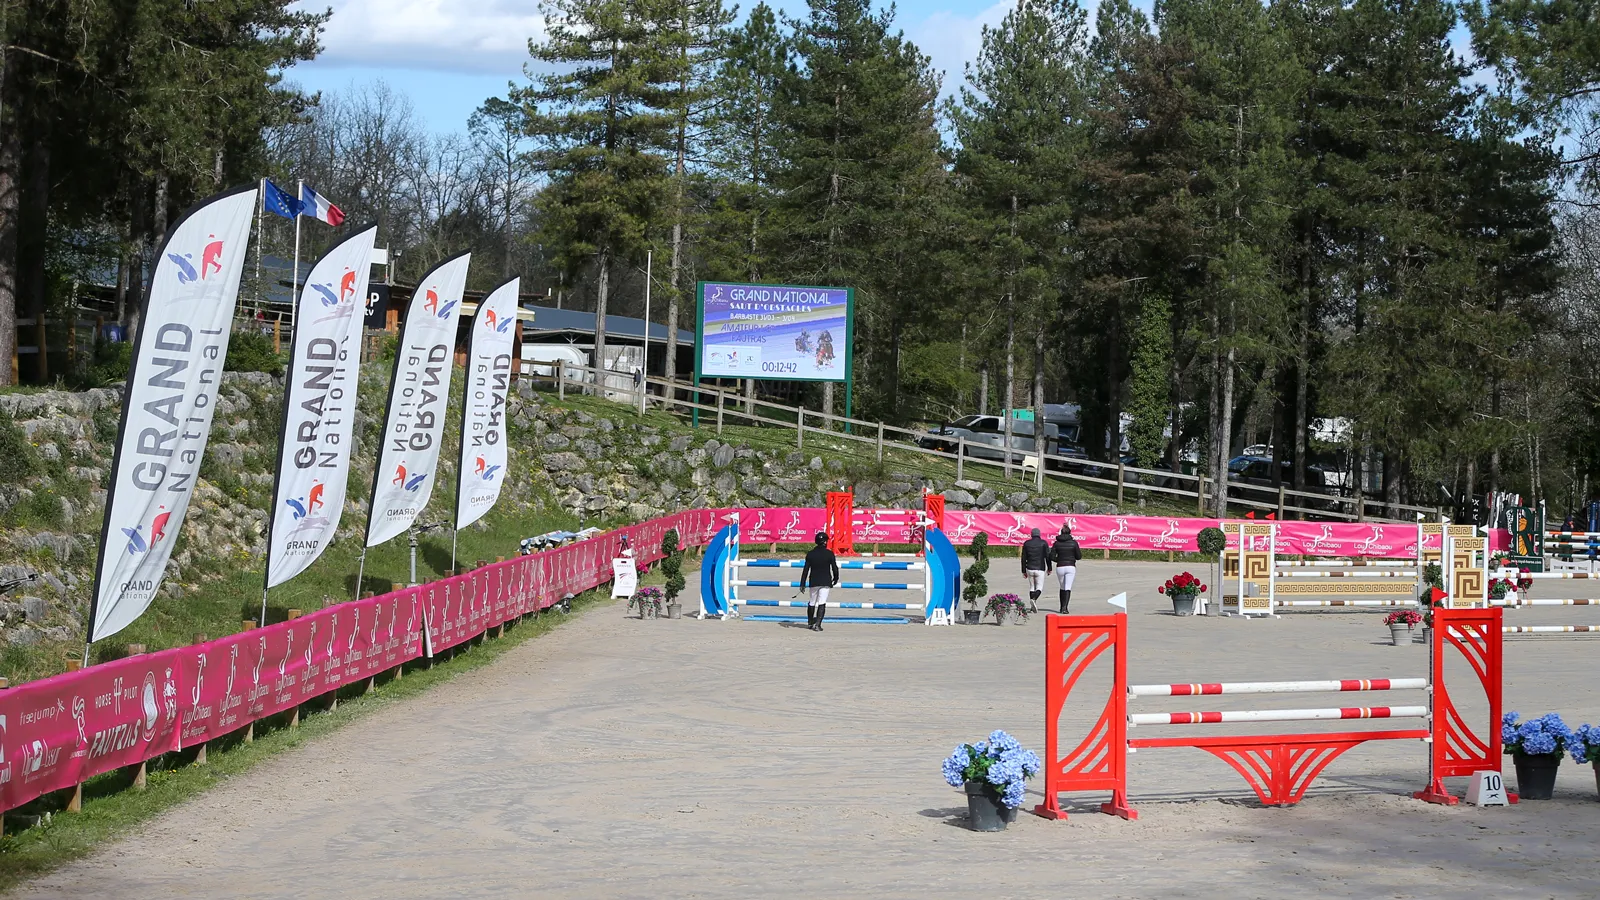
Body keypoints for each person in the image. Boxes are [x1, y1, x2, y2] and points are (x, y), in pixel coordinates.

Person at [801, 531, 840, 632]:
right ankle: (818, 624)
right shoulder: (829, 554)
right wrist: (836, 578)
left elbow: (806, 570)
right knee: (822, 602)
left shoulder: (810, 554)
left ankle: (810, 622)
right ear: (825, 542)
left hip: (814, 581)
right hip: (825, 581)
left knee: (812, 602)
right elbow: (834, 568)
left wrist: (802, 583)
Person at [1051, 525, 1082, 614]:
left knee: (1062, 587)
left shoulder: (1056, 543)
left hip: (1060, 566)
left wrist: (1058, 560)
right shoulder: (1074, 543)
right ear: (1070, 533)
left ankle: (1061, 607)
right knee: (1067, 587)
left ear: (1061, 533)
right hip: (1070, 566)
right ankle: (1065, 608)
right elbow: (1079, 556)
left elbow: (1051, 556)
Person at [1020, 527, 1051, 612]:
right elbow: (1047, 556)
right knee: (1039, 587)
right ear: (1039, 534)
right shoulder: (1043, 543)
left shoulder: (1027, 543)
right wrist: (1049, 568)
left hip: (1030, 567)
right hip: (1040, 567)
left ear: (1031, 534)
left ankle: (1032, 606)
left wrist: (1023, 570)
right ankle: (1033, 599)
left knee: (1032, 587)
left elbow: (1023, 558)